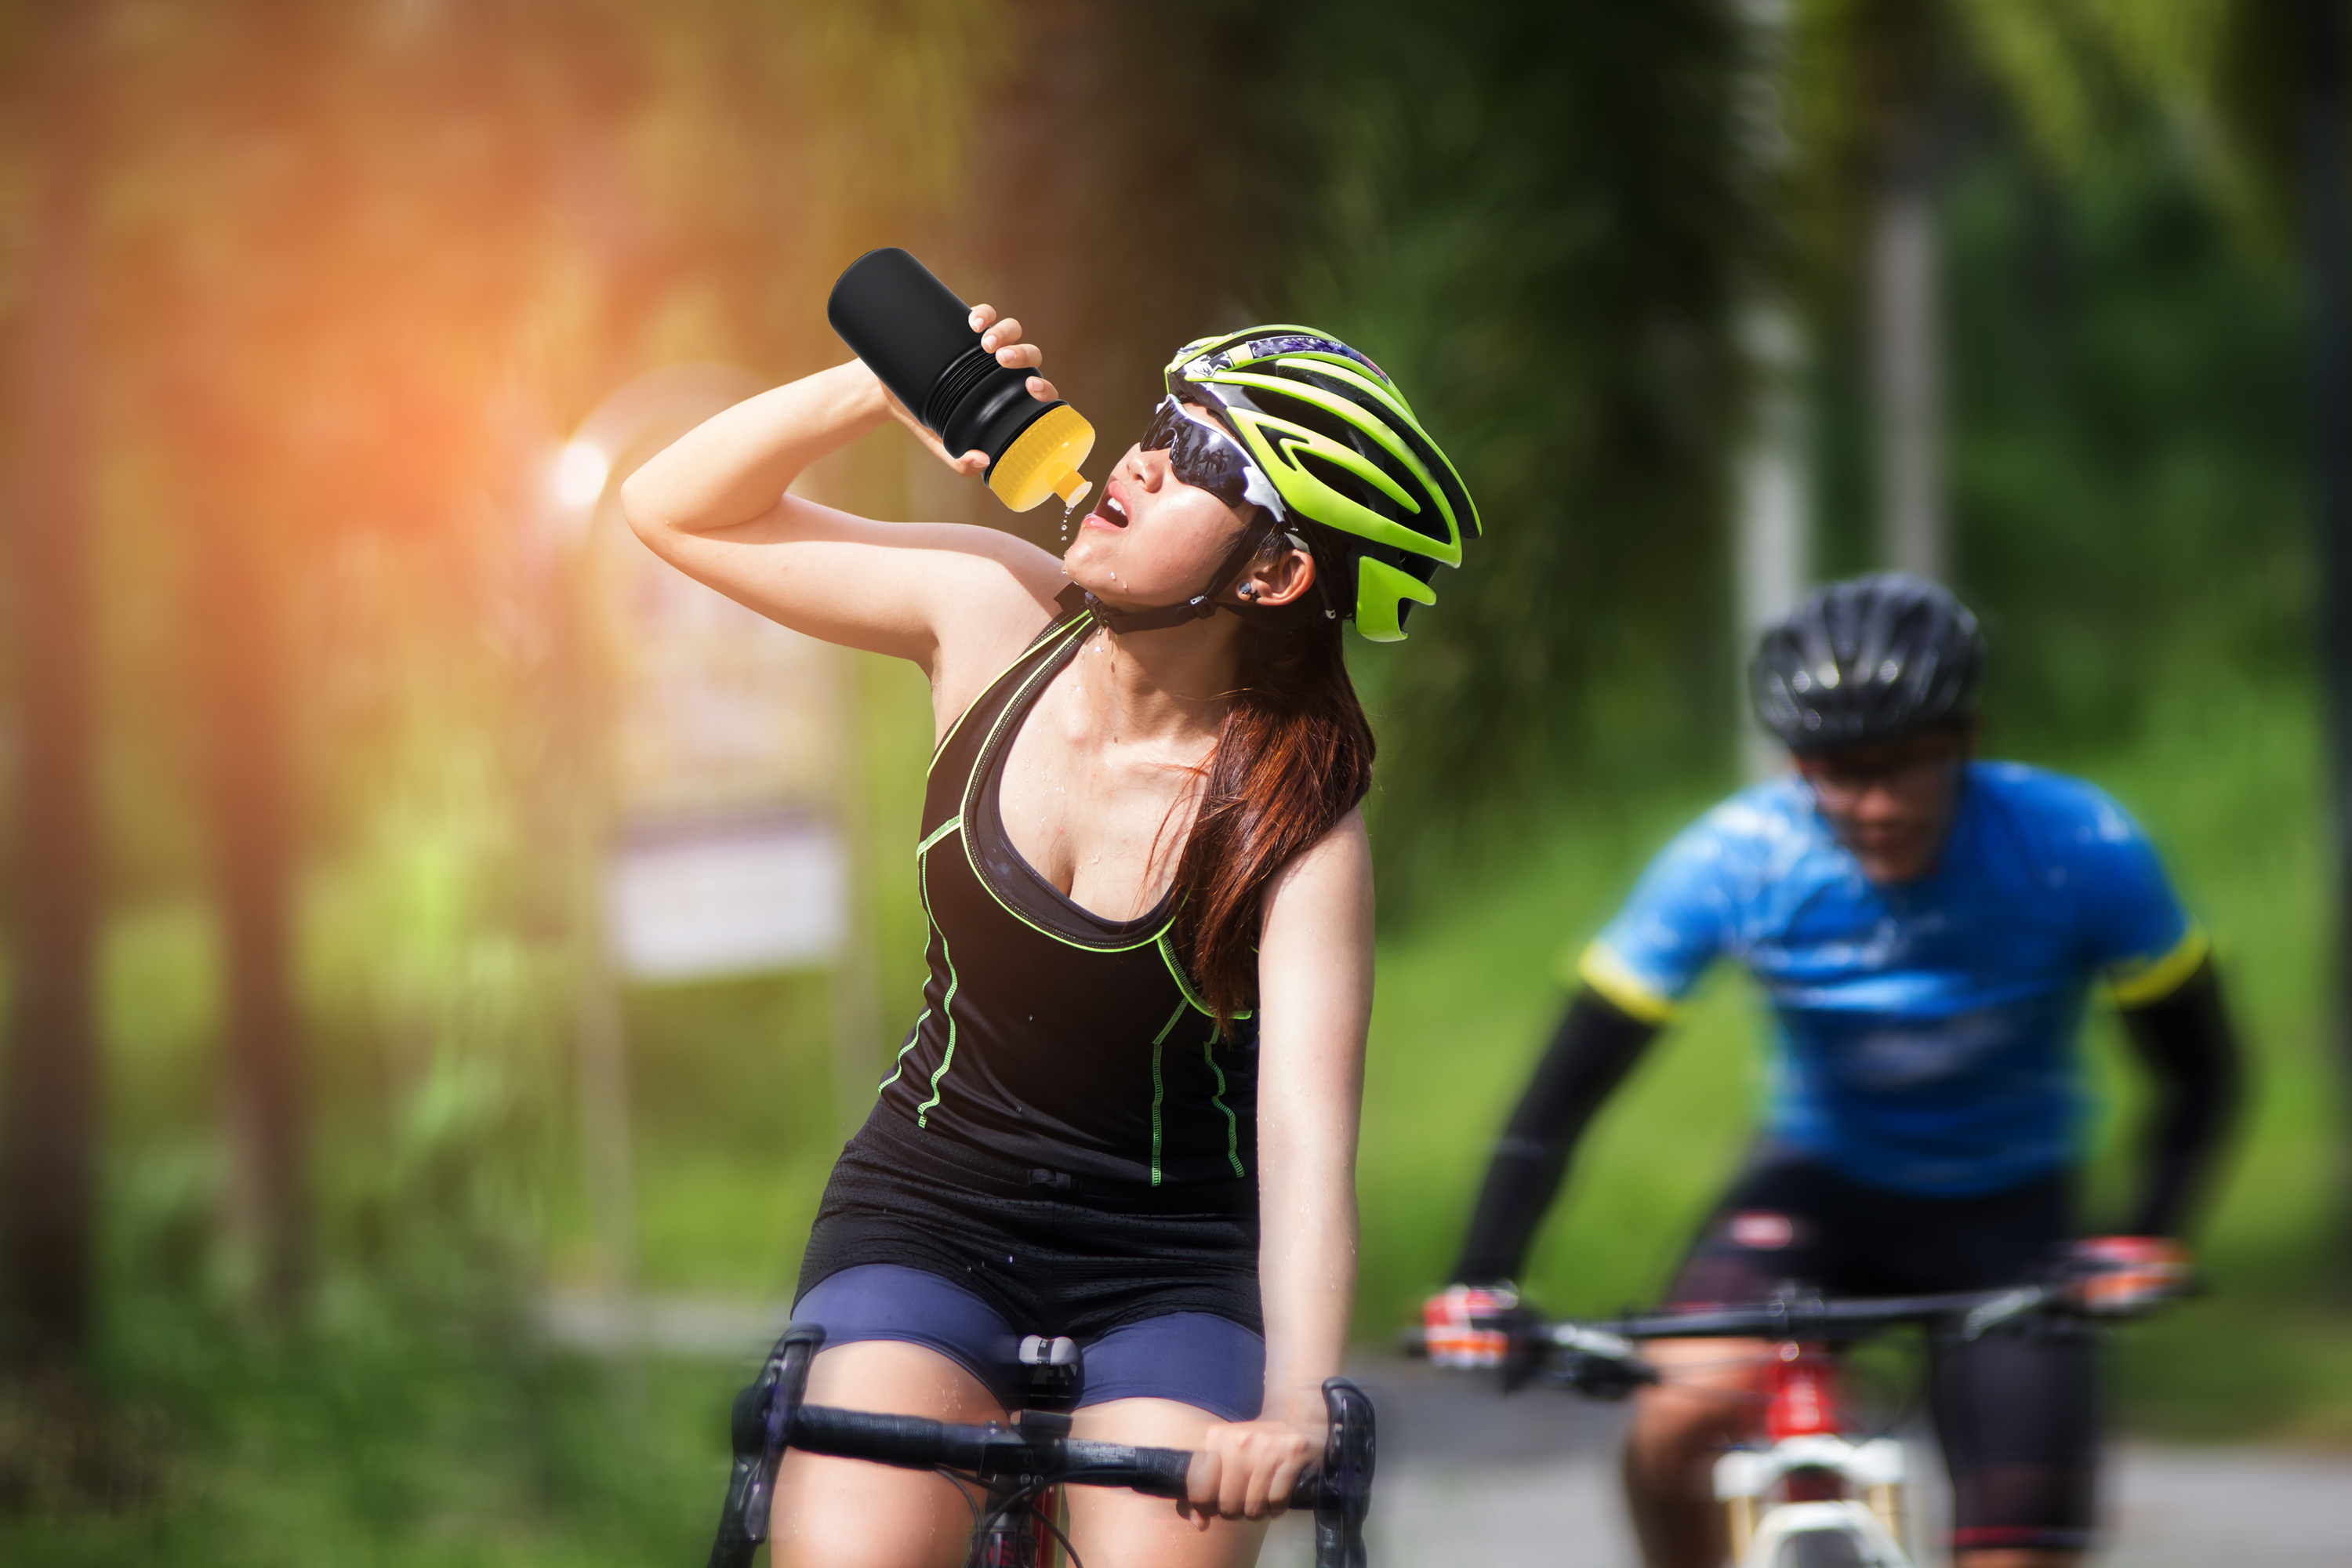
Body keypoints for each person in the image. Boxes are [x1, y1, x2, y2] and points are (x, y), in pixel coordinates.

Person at [624, 312, 1477, 1567]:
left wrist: (1296, 1404)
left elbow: (1303, 1146)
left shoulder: (1298, 826)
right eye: (1156, 429)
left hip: (1170, 1270)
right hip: (926, 1217)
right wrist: (872, 385)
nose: (1140, 461)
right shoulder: (988, 617)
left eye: (1199, 456)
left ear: (1274, 574)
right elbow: (673, 508)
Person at [1423, 575, 2242, 1568]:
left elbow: (2203, 1074)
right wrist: (1481, 1277)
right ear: (1796, 762)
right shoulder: (1735, 860)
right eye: (1840, 773)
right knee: (1671, 1423)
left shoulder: (2080, 846)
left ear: (1966, 737)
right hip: (1816, 1191)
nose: (1877, 804)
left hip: (2009, 1214)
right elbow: (1560, 1098)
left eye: (1908, 767)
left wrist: (2146, 1231)